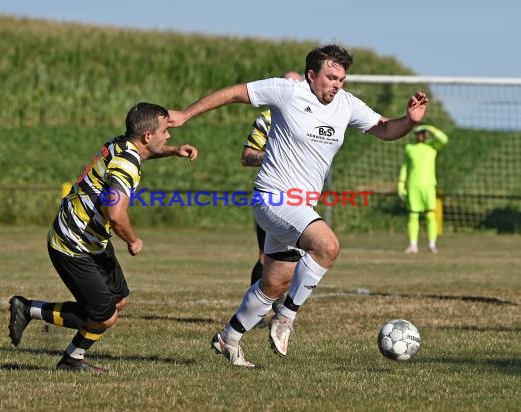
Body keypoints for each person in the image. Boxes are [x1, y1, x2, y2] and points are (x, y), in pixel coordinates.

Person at [168, 44, 428, 368]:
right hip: (273, 197)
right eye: (331, 77)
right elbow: (235, 93)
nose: (337, 84)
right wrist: (185, 115)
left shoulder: (346, 105)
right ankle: (286, 318)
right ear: (311, 75)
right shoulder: (287, 92)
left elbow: (386, 129)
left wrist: (410, 120)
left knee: (274, 283)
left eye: (342, 79)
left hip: (300, 207)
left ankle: (228, 338)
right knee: (327, 246)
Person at [8, 102, 198, 373]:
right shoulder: (126, 164)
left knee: (117, 300)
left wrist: (173, 151)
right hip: (72, 244)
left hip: (93, 241)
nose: (169, 135)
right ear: (147, 136)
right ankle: (49, 333)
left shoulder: (122, 144)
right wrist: (133, 240)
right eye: (166, 131)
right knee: (105, 317)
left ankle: (39, 324)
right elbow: (116, 214)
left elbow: (143, 152)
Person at [241, 71, 303, 326]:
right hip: (274, 196)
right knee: (265, 255)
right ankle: (256, 312)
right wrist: (271, 155)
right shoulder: (267, 119)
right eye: (288, 83)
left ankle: (279, 305)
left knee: (299, 255)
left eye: (297, 84)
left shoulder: (311, 116)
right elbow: (247, 156)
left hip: (302, 196)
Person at [398, 124, 448, 254]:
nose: (420, 136)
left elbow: (444, 139)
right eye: (418, 134)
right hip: (413, 186)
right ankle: (413, 245)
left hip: (429, 186)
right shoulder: (410, 148)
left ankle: (432, 245)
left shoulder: (432, 147)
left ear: (426, 135)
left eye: (423, 133)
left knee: (430, 216)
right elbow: (405, 167)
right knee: (413, 216)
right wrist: (401, 183)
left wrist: (430, 128)